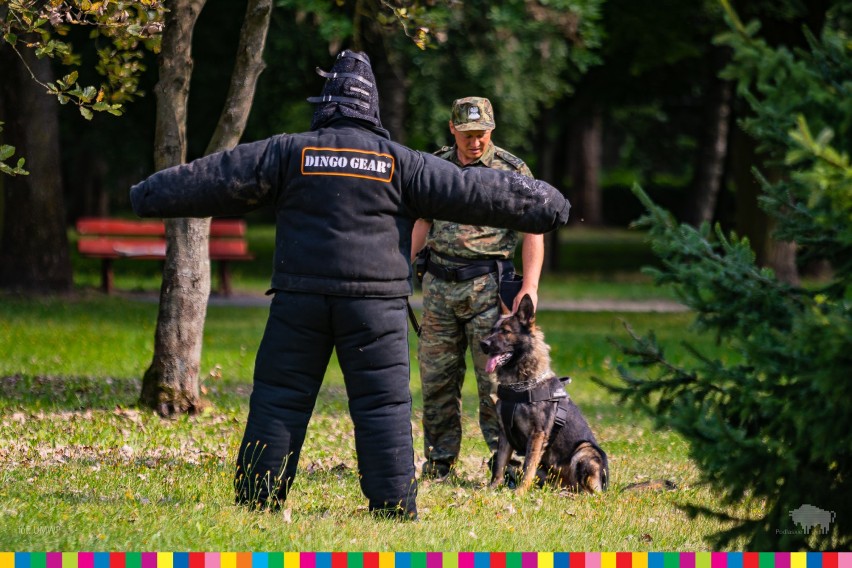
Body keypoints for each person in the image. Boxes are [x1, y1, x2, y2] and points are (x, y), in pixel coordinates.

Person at [129, 51, 570, 520]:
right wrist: (549, 204)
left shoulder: (288, 151)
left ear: (326, 103)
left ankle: (258, 500)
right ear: (371, 106)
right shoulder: (403, 164)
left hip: (300, 297)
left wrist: (145, 194)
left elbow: (215, 177)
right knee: (383, 406)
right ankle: (394, 507)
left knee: (279, 396)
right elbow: (476, 192)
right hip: (375, 306)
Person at [411, 97, 543, 482]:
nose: (475, 143)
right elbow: (421, 221)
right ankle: (439, 464)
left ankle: (507, 467)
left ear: (492, 130)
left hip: (489, 288)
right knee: (436, 380)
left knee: (495, 384)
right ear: (453, 129)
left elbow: (533, 231)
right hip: (439, 287)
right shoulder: (435, 167)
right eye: (467, 135)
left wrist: (530, 286)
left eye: (482, 135)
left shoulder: (511, 170)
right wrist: (409, 266)